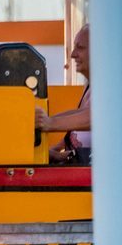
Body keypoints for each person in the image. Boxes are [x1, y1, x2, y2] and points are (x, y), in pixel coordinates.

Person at [34, 24, 90, 163]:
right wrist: (54, 150)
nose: (73, 54)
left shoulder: (114, 87)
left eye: (80, 47)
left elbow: (97, 117)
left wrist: (50, 123)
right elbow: (80, 119)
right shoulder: (90, 87)